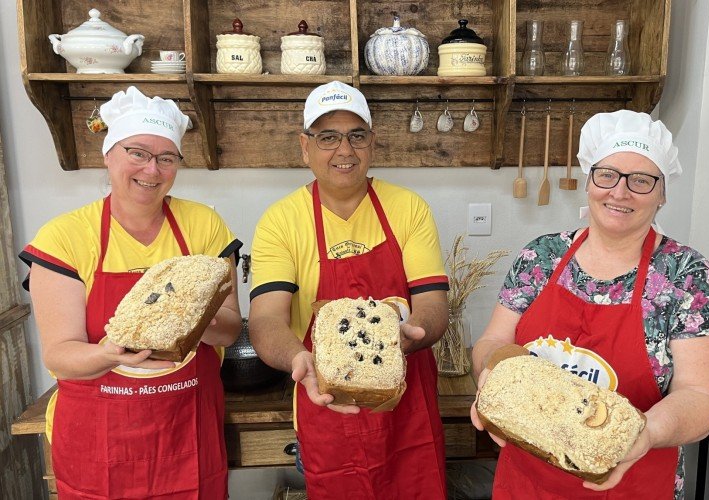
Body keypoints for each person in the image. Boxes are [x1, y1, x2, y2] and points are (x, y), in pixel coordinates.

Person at [470, 110, 709, 499]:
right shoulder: (541, 257)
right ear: (589, 181)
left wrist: (644, 434)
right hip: (528, 482)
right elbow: (491, 343)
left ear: (662, 194)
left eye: (641, 180)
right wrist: (495, 377)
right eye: (607, 174)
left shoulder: (686, 275)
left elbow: (703, 397)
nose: (620, 192)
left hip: (634, 483)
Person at [20, 86, 242, 499]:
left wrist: (196, 316)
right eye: (137, 152)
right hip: (99, 445)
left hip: (187, 434)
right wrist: (110, 353)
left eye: (166, 157)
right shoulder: (66, 236)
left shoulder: (204, 226)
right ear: (108, 154)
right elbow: (60, 356)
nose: (151, 169)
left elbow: (229, 329)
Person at [248, 81, 450, 499]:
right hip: (323, 397)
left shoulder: (408, 207)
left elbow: (431, 304)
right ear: (305, 147)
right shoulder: (281, 220)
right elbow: (267, 318)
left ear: (372, 144)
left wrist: (405, 339)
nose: (344, 150)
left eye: (357, 135)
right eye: (328, 137)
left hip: (407, 403)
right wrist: (300, 361)